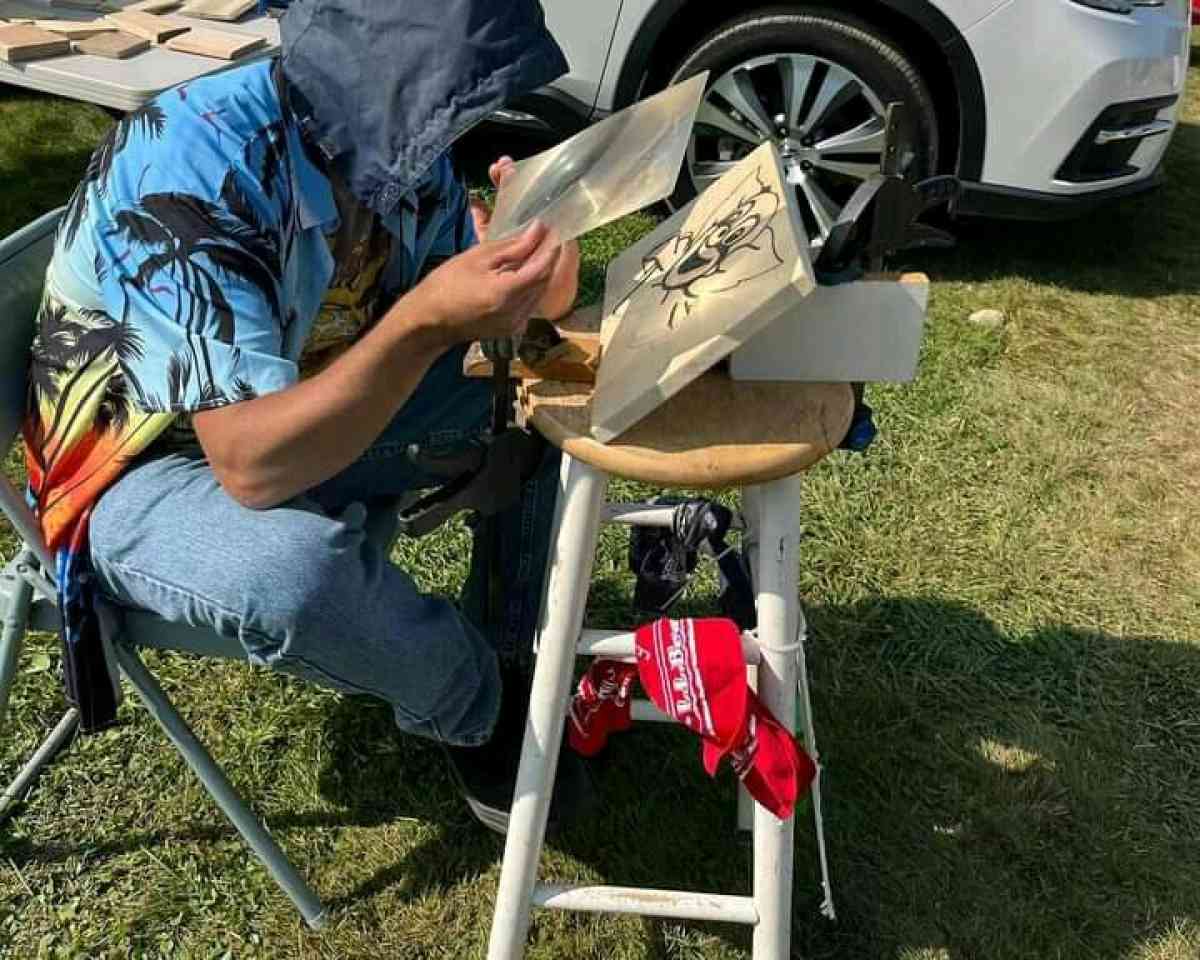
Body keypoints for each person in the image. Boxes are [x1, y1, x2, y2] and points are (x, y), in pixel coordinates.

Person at [24, 0, 591, 833]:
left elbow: (465, 320)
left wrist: (529, 269)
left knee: (542, 390)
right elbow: (253, 468)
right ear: (388, 79)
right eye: (454, 96)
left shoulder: (387, 142)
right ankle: (478, 704)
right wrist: (423, 321)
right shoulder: (191, 169)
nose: (469, 122)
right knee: (293, 575)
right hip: (130, 469)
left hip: (290, 405)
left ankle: (515, 647)